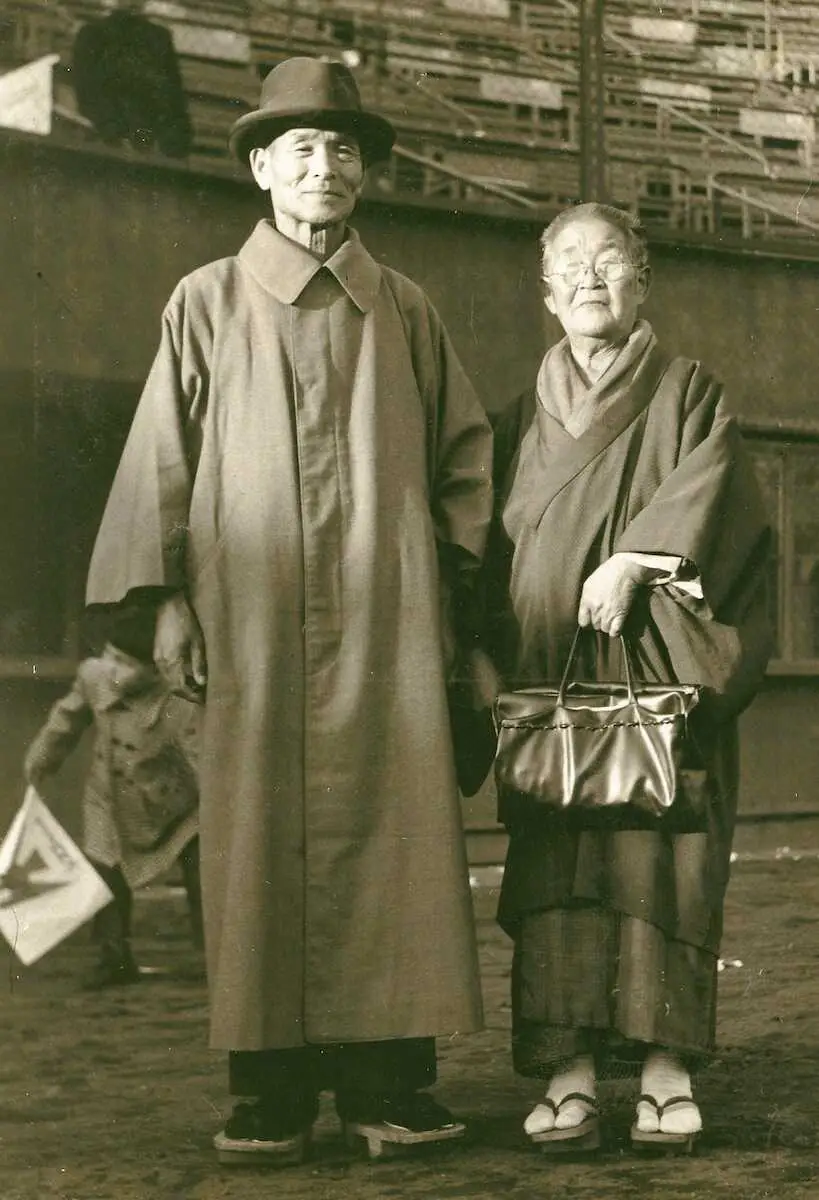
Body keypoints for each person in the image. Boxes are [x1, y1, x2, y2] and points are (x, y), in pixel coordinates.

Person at [85, 57, 493, 1165]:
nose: (326, 165)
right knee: (255, 841)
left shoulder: (405, 306)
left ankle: (389, 1086)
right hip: (249, 618)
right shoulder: (207, 300)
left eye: (344, 147)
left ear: (364, 174)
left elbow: (464, 462)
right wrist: (165, 600)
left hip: (388, 620)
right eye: (302, 147)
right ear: (261, 167)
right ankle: (268, 1094)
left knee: (394, 842)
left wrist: (449, 597)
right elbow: (160, 461)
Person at [484, 202, 772, 1153]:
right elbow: (484, 548)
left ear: (642, 280)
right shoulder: (517, 417)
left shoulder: (690, 393)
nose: (588, 276)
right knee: (557, 870)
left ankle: (664, 1068)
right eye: (568, 262)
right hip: (554, 674)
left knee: (665, 865)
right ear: (544, 292)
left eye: (608, 259)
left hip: (658, 670)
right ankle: (565, 1070)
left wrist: (635, 560)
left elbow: (722, 507)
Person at [23, 605, 202, 989]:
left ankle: (215, 953)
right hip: (107, 798)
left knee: (202, 871)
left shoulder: (178, 699)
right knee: (104, 872)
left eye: (126, 664)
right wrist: (43, 755)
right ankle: (112, 956)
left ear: (154, 668)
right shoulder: (94, 677)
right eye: (110, 657)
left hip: (176, 806)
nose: (113, 670)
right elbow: (67, 717)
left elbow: (200, 755)